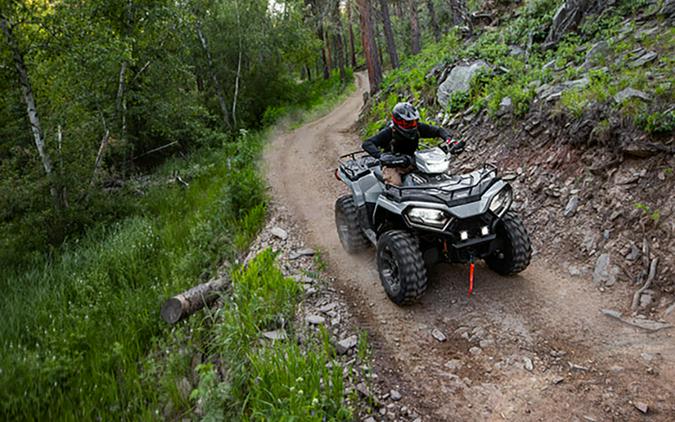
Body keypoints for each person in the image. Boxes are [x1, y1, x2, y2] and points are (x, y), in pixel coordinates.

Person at [362, 102, 461, 186]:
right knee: (396, 184)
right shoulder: (389, 132)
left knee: (438, 175)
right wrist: (381, 156)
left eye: (413, 122)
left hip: (412, 160)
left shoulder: (418, 128)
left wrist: (449, 140)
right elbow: (367, 143)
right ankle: (392, 203)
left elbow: (438, 131)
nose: (411, 125)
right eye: (407, 123)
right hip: (392, 165)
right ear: (397, 121)